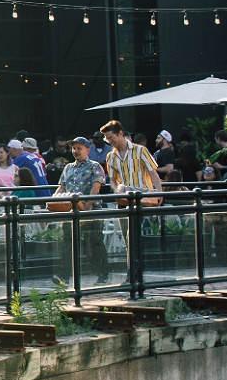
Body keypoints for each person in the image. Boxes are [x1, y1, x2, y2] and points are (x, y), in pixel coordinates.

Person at [53, 136, 109, 284]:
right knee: (68, 242)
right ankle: (64, 276)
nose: (76, 151)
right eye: (74, 148)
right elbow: (62, 186)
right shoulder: (68, 167)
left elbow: (96, 187)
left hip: (91, 210)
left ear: (87, 149)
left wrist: (87, 206)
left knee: (95, 242)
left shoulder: (95, 166)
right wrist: (53, 201)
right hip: (71, 210)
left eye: (79, 148)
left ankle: (102, 274)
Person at [100, 119, 162, 203]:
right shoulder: (110, 156)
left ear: (120, 133)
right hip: (125, 198)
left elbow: (153, 174)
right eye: (107, 139)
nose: (109, 141)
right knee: (121, 187)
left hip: (143, 196)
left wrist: (159, 193)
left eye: (111, 137)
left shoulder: (141, 150)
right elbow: (112, 180)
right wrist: (117, 191)